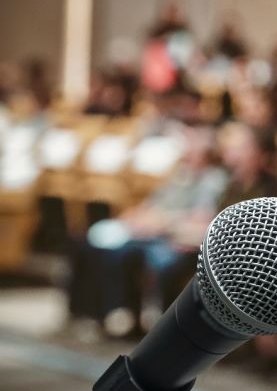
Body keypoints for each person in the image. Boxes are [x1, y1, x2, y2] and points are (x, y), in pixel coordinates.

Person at [67, 124, 228, 335]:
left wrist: (162, 221)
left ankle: (163, 324)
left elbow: (201, 216)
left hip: (177, 238)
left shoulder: (213, 179)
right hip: (151, 232)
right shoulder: (180, 174)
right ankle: (115, 313)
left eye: (193, 144)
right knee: (105, 250)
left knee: (159, 260)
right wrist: (137, 217)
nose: (187, 149)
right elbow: (153, 203)